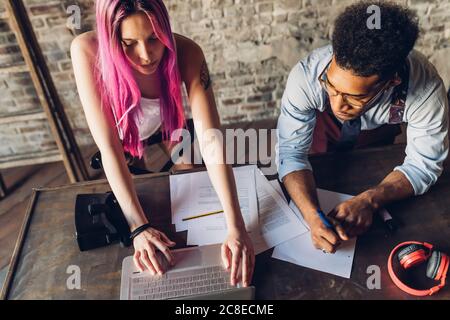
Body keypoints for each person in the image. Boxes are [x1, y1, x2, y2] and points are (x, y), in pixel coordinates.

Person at [70, 0, 254, 287]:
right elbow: (110, 149)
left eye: (154, 38)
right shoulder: (86, 50)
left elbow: (211, 140)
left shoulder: (188, 52)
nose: (145, 55)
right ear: (110, 39)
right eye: (129, 43)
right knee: (136, 185)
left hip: (167, 121)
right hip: (121, 129)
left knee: (190, 175)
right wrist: (139, 227)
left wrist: (236, 226)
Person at [276, 1, 449, 253]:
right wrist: (312, 216)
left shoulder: (426, 91)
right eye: (331, 86)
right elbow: (291, 153)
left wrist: (371, 199)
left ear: (391, 82)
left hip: (376, 137)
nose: (338, 105)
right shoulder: (306, 76)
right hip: (321, 131)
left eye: (354, 97)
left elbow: (424, 164)